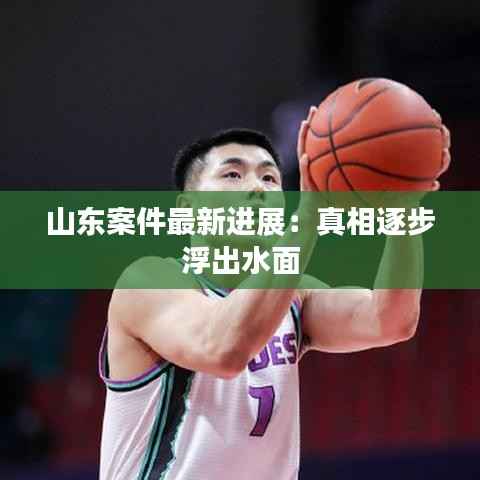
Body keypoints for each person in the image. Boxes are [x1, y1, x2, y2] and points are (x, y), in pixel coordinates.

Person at [99, 108, 451, 480]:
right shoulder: (148, 280)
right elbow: (223, 349)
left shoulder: (293, 296)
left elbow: (390, 320)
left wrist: (404, 211)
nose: (257, 188)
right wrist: (309, 216)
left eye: (269, 178)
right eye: (233, 174)